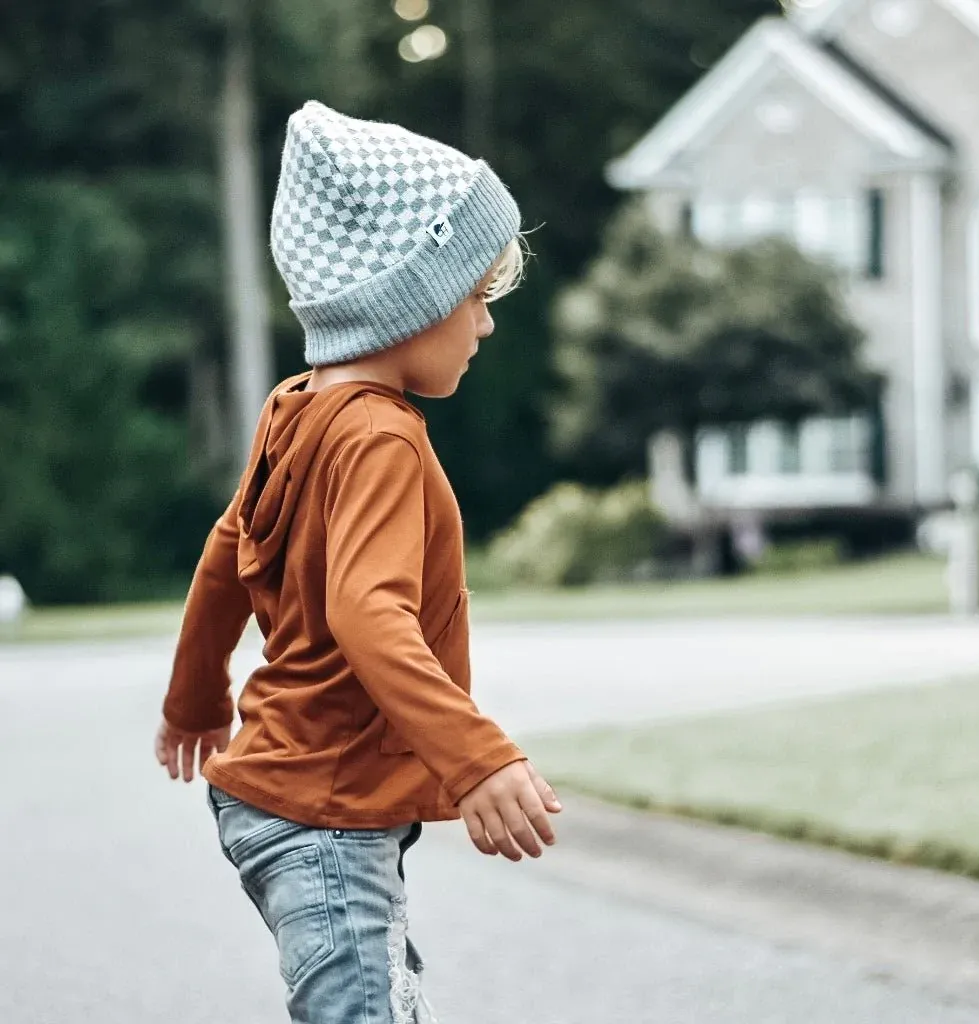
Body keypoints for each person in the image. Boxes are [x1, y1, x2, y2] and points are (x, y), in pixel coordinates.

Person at [154, 100, 561, 1024]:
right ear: (408, 301)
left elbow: (227, 550)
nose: (487, 327)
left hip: (294, 793)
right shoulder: (380, 437)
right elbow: (370, 615)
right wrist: (478, 760)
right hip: (325, 813)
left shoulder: (294, 409)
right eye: (477, 299)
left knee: (380, 999)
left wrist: (195, 700)